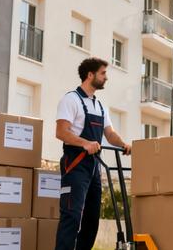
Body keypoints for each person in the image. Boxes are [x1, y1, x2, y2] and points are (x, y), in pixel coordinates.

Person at [54, 57, 132, 250]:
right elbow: (61, 132)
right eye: (103, 73)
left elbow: (110, 133)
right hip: (75, 165)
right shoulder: (71, 99)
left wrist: (123, 144)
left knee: (91, 221)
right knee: (72, 216)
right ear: (90, 75)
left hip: (94, 168)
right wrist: (85, 143)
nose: (106, 78)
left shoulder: (100, 106)